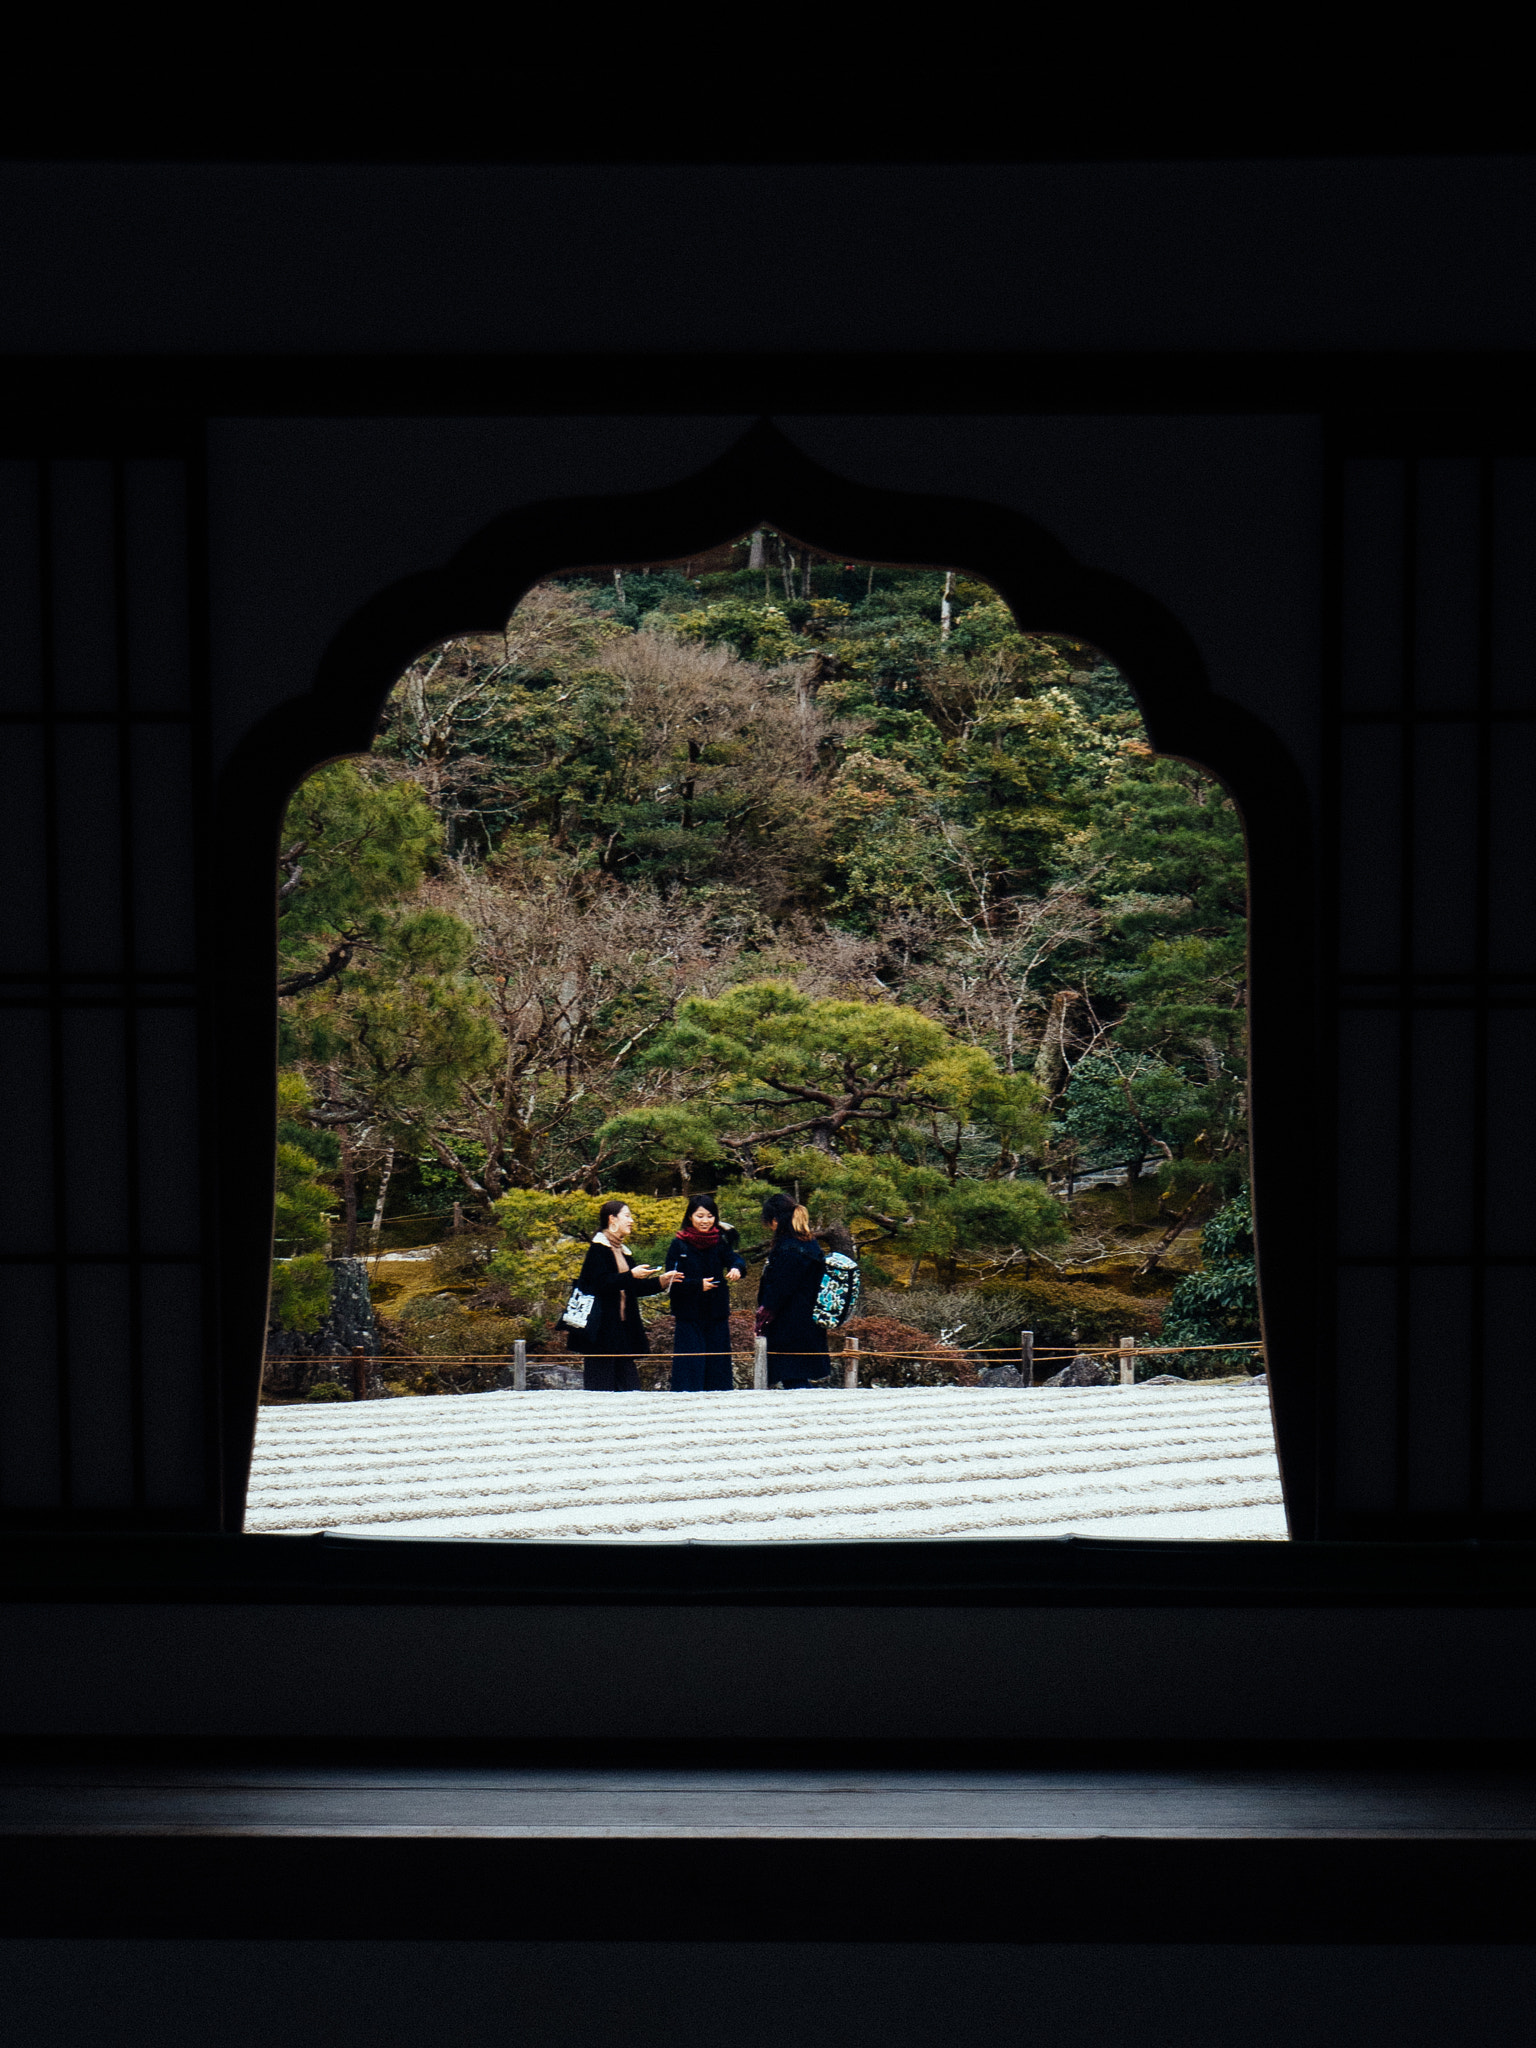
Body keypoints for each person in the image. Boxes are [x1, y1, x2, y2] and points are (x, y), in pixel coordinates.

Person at [566, 1199, 681, 1391]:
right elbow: (599, 1284)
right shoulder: (598, 1249)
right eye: (627, 1216)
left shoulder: (623, 1251)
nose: (631, 1221)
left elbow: (634, 1288)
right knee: (601, 1389)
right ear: (612, 1219)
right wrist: (631, 1275)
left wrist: (662, 1281)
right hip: (600, 1333)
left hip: (622, 1331)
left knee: (630, 1388)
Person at [663, 1194, 744, 1391]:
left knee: (718, 1367)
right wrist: (696, 1285)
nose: (705, 1221)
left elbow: (735, 1259)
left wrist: (736, 1269)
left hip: (716, 1312)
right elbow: (670, 1280)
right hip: (688, 1314)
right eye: (700, 1216)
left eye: (710, 1216)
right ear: (690, 1217)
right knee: (690, 1366)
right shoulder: (679, 1244)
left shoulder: (720, 1242)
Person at [757, 1192, 829, 1389]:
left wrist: (766, 1309)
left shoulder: (789, 1248)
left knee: (794, 1377)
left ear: (774, 1221)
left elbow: (781, 1286)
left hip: (790, 1323)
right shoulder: (809, 1242)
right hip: (808, 1320)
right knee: (798, 1376)